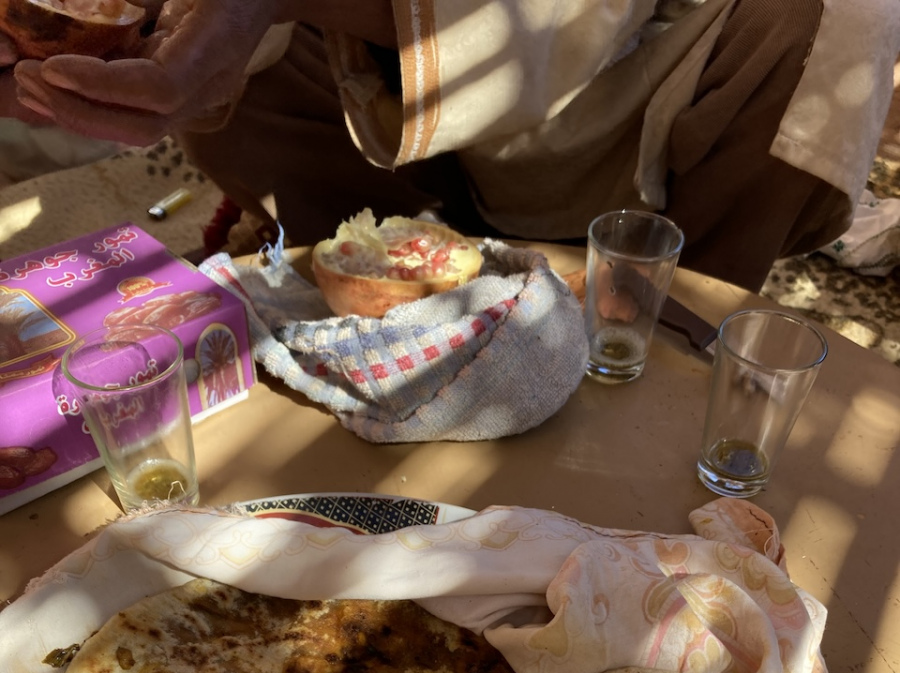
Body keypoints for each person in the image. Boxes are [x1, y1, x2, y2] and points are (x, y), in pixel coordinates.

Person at [2, 0, 898, 290]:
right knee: (234, 56)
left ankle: (656, 341)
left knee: (837, 18)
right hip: (369, 79)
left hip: (647, 78)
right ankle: (358, 282)